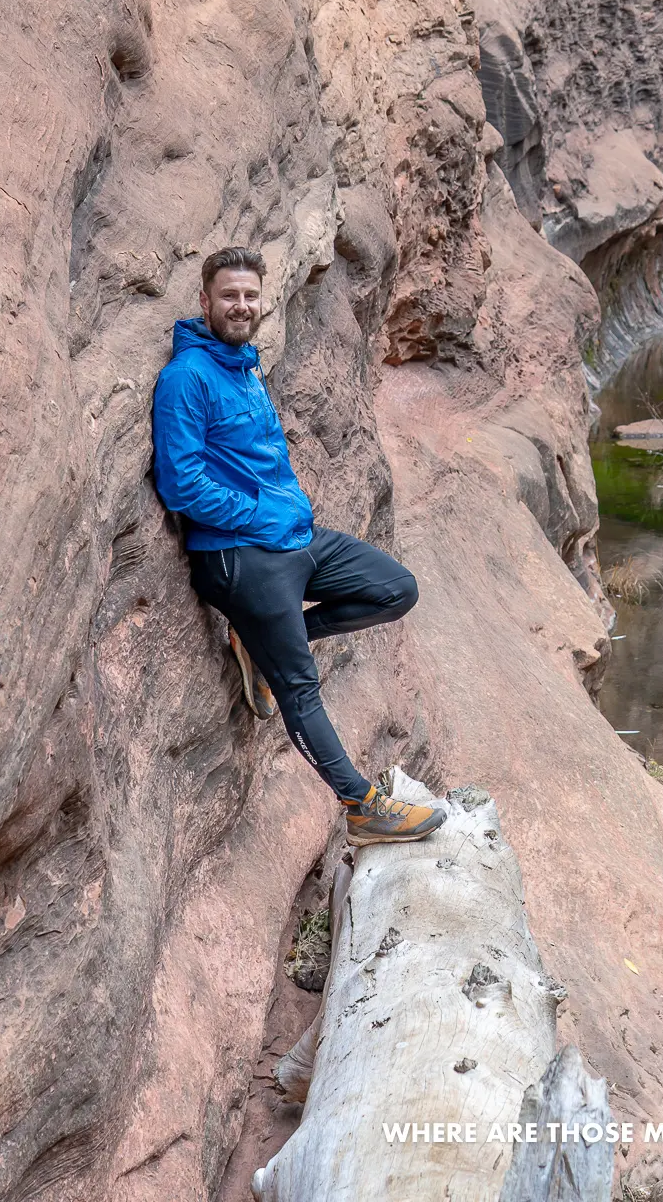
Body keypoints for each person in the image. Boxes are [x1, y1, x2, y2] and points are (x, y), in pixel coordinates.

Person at [152, 246, 445, 847]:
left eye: (250, 296)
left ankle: (260, 645)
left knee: (397, 589)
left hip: (294, 540)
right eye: (229, 296)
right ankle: (361, 808)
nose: (241, 305)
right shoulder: (187, 378)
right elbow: (180, 482)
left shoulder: (244, 365)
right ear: (204, 301)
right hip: (241, 556)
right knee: (300, 687)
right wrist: (258, 515)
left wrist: (281, 515)